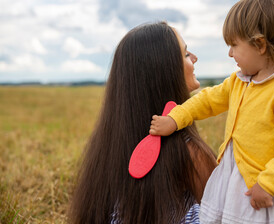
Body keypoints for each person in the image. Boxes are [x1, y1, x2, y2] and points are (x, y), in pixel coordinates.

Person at [150, 0, 274, 223]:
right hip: (240, 180)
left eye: (234, 45)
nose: (230, 53)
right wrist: (175, 118)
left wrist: (268, 182)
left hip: (273, 188)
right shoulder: (239, 81)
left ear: (260, 44)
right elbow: (207, 101)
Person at [69, 22, 217, 224]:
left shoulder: (108, 149)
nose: (194, 58)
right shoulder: (190, 154)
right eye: (185, 54)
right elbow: (227, 214)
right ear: (165, 71)